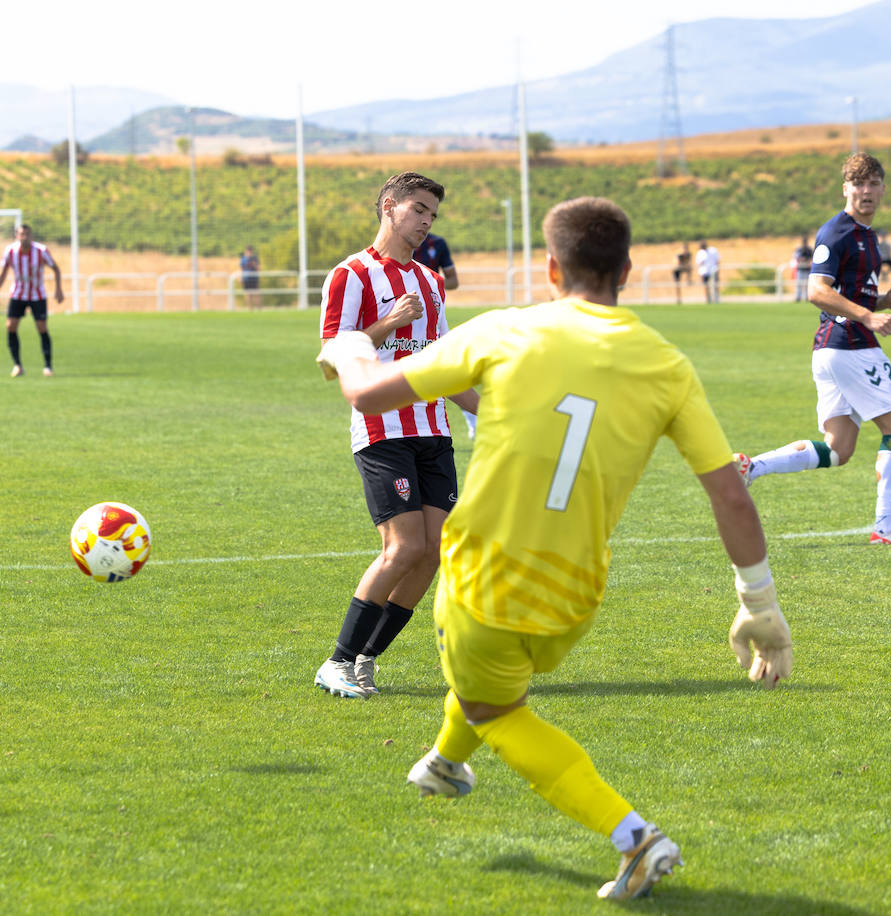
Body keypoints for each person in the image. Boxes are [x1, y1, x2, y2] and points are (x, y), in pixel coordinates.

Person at [316, 195, 793, 901]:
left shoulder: (504, 332)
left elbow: (365, 395)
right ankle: (444, 764)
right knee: (493, 673)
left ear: (549, 267)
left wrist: (351, 346)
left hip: (486, 575)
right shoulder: (667, 363)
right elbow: (731, 494)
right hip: (576, 597)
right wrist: (761, 607)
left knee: (495, 707)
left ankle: (634, 838)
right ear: (627, 269)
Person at [314, 172, 479, 700]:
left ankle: (365, 659)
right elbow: (333, 353)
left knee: (433, 552)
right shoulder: (351, 275)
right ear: (390, 207)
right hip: (383, 430)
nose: (427, 222)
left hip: (434, 430)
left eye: (433, 215)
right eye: (419, 210)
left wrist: (493, 413)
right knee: (403, 546)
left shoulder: (431, 282)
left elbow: (444, 363)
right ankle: (335, 662)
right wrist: (387, 323)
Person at [735, 153, 891, 544]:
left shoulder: (868, 236)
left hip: (833, 348)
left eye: (873, 183)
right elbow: (817, 291)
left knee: (838, 449)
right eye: (859, 184)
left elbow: (847, 295)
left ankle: (751, 468)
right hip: (851, 346)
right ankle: (886, 528)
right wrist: (869, 317)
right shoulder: (837, 233)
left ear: (883, 189)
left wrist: (882, 304)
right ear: (846, 189)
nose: (867, 191)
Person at [413, 232, 477, 438]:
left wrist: (430, 283)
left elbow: (453, 281)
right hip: (403, 313)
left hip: (433, 315)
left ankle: (474, 418)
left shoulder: (437, 244)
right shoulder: (396, 245)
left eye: (429, 214)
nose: (424, 220)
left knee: (448, 366)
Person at [0, 224, 63, 378]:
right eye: (21, 234)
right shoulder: (10, 251)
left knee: (42, 327)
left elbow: (56, 269)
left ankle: (48, 366)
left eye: (27, 234)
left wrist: (58, 289)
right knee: (10, 326)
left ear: (31, 236)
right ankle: (17, 365)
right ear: (17, 236)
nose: (24, 237)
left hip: (37, 294)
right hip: (18, 294)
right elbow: (3, 272)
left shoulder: (41, 251)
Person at [792, 235, 814, 302]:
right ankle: (798, 297)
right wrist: (802, 259)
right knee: (799, 284)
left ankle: (807, 297)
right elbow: (797, 257)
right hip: (800, 268)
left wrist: (808, 260)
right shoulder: (799, 249)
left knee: (807, 284)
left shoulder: (809, 249)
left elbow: (812, 257)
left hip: (807, 268)